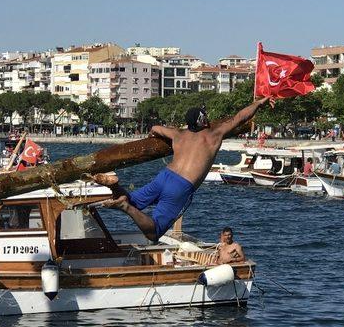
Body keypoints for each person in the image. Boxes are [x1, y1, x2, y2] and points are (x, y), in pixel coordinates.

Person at [103, 97, 273, 241]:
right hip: (181, 186)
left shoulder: (178, 134)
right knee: (154, 233)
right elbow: (240, 118)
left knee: (134, 201)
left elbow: (155, 128)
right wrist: (258, 103)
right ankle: (124, 206)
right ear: (203, 120)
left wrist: (152, 135)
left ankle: (113, 186)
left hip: (165, 176)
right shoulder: (214, 135)